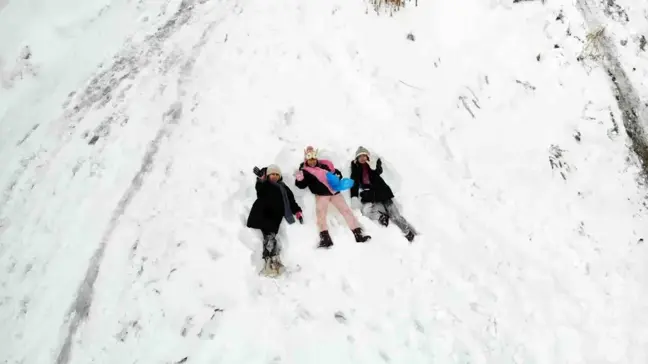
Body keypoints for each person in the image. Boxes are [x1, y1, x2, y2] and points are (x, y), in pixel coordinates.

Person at [295, 146, 371, 248]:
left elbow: (336, 172)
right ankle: (325, 238)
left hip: (335, 193)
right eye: (310, 159)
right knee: (321, 215)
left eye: (313, 159)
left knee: (346, 211)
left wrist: (337, 176)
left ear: (316, 158)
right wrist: (299, 180)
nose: (312, 162)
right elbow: (302, 185)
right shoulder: (305, 171)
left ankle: (358, 233)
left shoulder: (325, 165)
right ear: (306, 159)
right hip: (321, 195)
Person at [349, 146, 416, 242]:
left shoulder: (372, 165)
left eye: (364, 156)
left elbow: (378, 171)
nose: (362, 158)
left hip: (382, 191)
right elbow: (354, 183)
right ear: (357, 159)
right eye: (360, 156)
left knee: (395, 215)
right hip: (370, 194)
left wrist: (373, 164)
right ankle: (381, 217)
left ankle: (407, 232)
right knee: (366, 211)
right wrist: (354, 196)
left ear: (367, 157)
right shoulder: (356, 169)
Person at [246, 164, 303, 275]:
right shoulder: (265, 184)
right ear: (268, 175)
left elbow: (291, 200)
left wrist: (297, 211)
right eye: (272, 174)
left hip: (276, 214)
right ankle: (269, 261)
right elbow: (260, 190)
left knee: (271, 235)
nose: (275, 176)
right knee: (269, 236)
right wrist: (261, 180)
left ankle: (274, 260)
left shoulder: (283, 187)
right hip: (263, 211)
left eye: (277, 174)